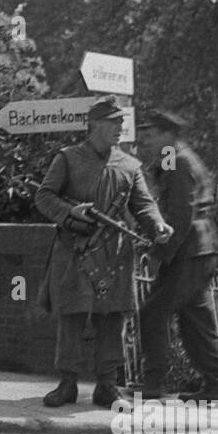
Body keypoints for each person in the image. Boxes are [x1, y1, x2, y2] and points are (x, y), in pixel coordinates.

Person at [35, 97, 173, 407]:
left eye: (121, 124)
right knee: (71, 315)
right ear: (94, 124)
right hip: (75, 250)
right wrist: (72, 214)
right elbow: (44, 197)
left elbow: (143, 205)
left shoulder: (130, 165)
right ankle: (67, 384)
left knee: (111, 319)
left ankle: (107, 386)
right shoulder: (68, 158)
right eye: (113, 123)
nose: (120, 129)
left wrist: (158, 226)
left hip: (114, 255)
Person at [131, 108, 218, 404]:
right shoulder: (183, 156)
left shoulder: (175, 159)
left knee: (153, 313)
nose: (144, 142)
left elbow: (180, 214)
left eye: (149, 136)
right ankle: (217, 385)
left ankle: (153, 383)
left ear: (167, 135)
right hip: (201, 247)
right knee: (195, 318)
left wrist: (161, 251)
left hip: (188, 249)